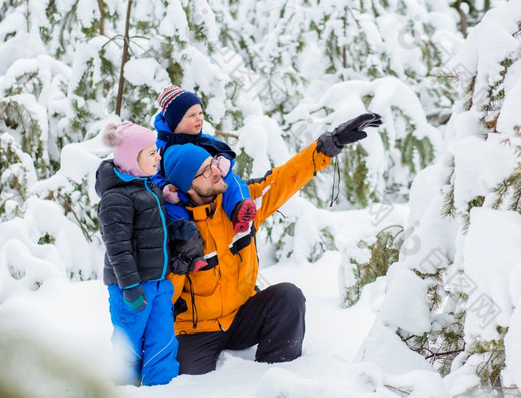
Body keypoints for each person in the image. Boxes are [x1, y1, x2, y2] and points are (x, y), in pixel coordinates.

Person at [161, 113, 383, 375]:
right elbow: (163, 299)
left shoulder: (238, 206)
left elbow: (283, 179)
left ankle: (276, 379)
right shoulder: (171, 230)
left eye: (213, 164)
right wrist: (179, 263)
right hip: (195, 330)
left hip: (242, 315)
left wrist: (329, 145)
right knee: (186, 386)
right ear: (187, 187)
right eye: (205, 172)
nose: (216, 173)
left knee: (288, 297)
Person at [95, 122, 180, 386]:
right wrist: (130, 286)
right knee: (128, 347)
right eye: (151, 153)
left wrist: (180, 230)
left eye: (157, 151)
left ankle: (163, 387)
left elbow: (156, 231)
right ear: (133, 158)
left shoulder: (149, 188)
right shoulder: (116, 199)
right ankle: (122, 389)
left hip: (158, 282)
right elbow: (117, 248)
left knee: (163, 339)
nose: (158, 157)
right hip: (130, 289)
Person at [153, 85, 256, 233]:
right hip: (180, 195)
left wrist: (224, 160)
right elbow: (151, 174)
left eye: (200, 113)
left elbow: (225, 151)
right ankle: (185, 243)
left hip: (207, 188)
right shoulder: (160, 148)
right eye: (191, 115)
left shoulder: (203, 139)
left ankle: (238, 209)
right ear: (175, 121)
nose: (199, 119)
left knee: (231, 181)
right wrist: (163, 188)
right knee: (170, 211)